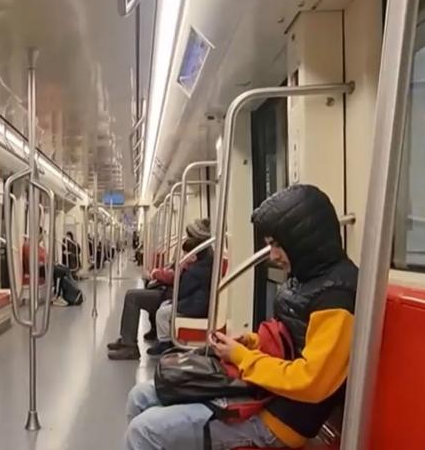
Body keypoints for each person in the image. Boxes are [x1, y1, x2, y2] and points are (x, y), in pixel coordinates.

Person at [124, 184, 357, 450]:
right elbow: (289, 339)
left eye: (278, 245)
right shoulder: (306, 278)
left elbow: (311, 382)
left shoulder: (336, 298)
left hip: (279, 420)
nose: (273, 256)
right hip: (263, 392)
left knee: (144, 431)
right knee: (140, 396)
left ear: (302, 241)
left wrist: (242, 357)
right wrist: (251, 341)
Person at [108, 218, 210, 360]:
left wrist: (163, 273)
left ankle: (129, 346)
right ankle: (127, 338)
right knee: (139, 291)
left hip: (177, 295)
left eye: (190, 235)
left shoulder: (199, 260)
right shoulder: (197, 254)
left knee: (132, 297)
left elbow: (180, 282)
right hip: (174, 292)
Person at [146, 219, 213, 357]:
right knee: (164, 305)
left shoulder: (194, 270)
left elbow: (182, 289)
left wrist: (181, 269)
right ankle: (163, 336)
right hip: (193, 300)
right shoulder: (202, 260)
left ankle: (165, 343)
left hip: (195, 305)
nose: (183, 256)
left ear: (193, 256)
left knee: (162, 312)